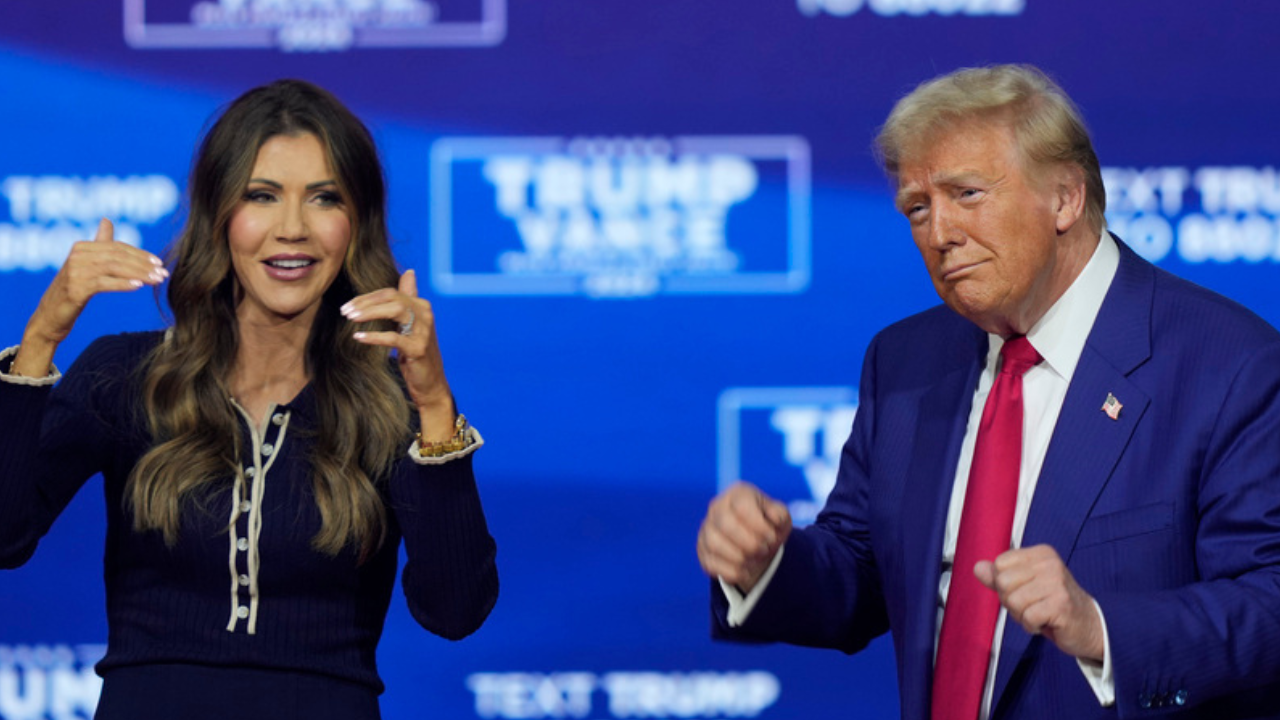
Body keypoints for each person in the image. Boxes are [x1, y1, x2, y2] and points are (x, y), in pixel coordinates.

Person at [696, 64, 1280, 720]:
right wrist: (765, 564)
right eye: (917, 207)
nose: (938, 234)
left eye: (966, 194)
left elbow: (1269, 601)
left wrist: (1101, 627)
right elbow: (861, 572)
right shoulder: (906, 361)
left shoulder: (1229, 366)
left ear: (1064, 197)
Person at [0, 79, 498, 720]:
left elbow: (455, 611)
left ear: (355, 226)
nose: (292, 229)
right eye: (261, 196)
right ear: (219, 217)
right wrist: (42, 335)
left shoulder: (389, 408)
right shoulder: (126, 375)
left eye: (324, 199)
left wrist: (432, 404)